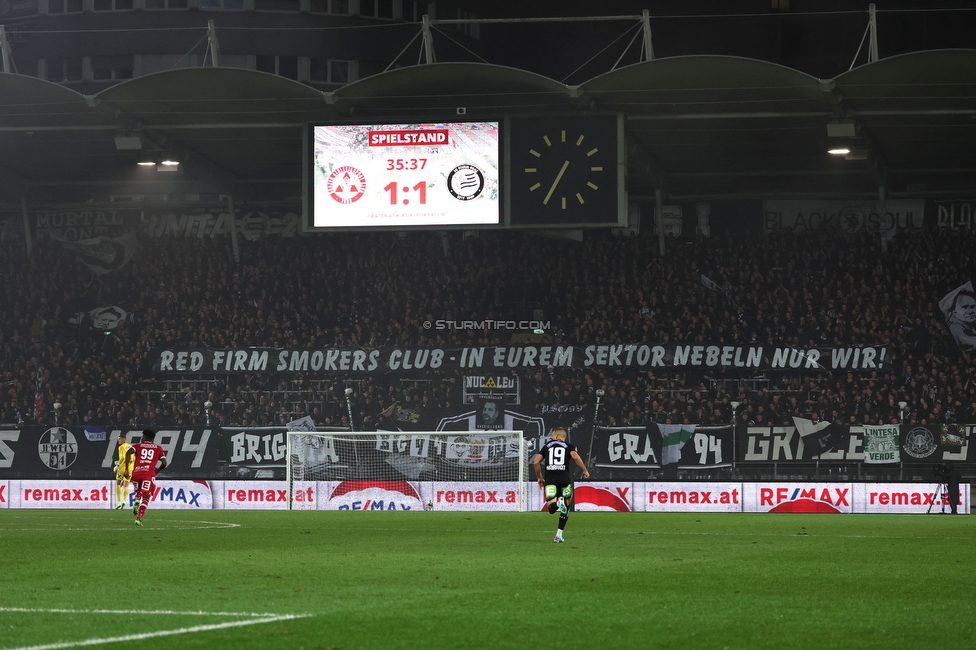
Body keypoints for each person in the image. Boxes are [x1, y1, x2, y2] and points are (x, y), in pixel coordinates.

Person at [532, 427, 590, 543]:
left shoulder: (547, 446)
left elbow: (536, 462)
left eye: (553, 436)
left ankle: (558, 503)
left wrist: (539, 477)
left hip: (550, 479)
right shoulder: (569, 446)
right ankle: (559, 535)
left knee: (552, 509)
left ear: (557, 436)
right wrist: (584, 470)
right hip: (564, 479)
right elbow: (575, 457)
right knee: (566, 508)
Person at [124, 429, 167, 526]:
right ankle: (139, 518)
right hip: (148, 474)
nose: (141, 438)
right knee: (146, 497)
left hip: (136, 474)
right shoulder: (158, 448)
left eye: (142, 436)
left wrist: (126, 469)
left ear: (145, 437)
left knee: (139, 490)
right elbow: (164, 463)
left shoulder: (137, 446)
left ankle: (138, 498)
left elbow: (128, 453)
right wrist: (157, 470)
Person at [941, 287, 976, 351]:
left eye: (973, 307)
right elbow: (965, 339)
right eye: (965, 307)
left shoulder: (966, 323)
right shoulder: (954, 326)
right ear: (954, 311)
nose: (971, 311)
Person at [113, 434, 133, 510]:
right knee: (126, 485)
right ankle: (124, 501)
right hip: (130, 468)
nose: (118, 440)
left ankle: (119, 502)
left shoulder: (121, 447)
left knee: (118, 483)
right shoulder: (131, 446)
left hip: (122, 468)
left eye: (120, 439)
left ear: (124, 439)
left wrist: (117, 465)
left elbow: (123, 458)